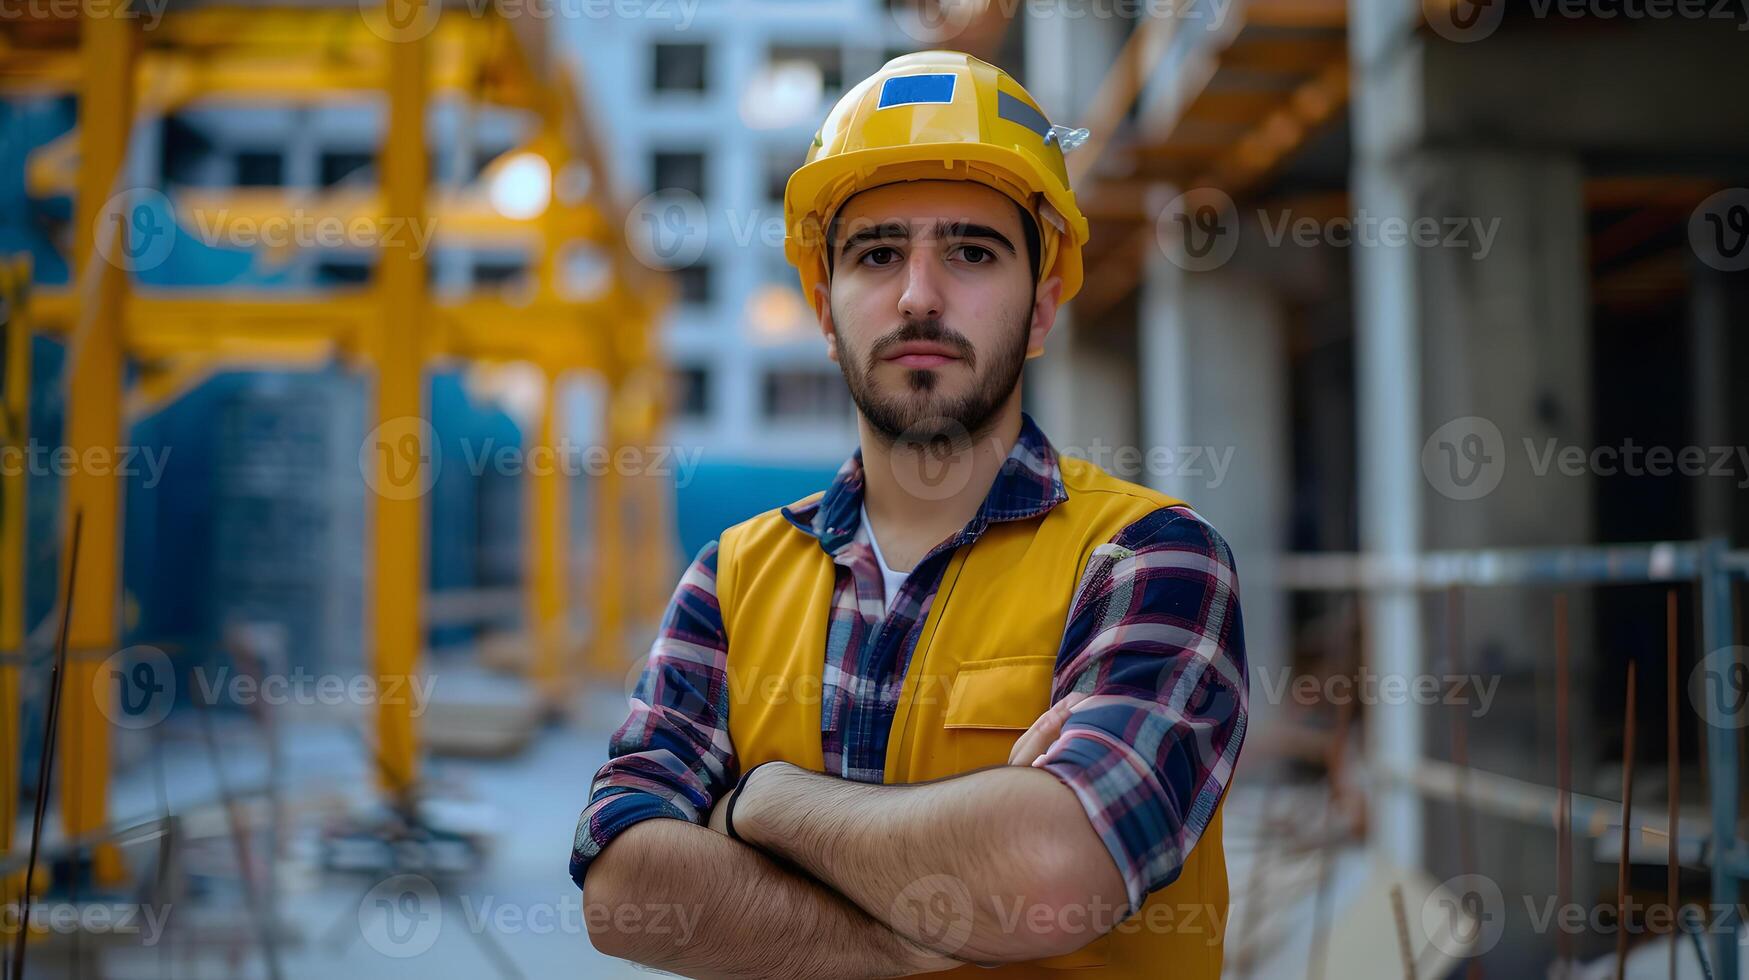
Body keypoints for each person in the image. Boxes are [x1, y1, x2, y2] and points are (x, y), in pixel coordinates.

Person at [572, 50, 1248, 978]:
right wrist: (922, 935)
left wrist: (760, 804)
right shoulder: (730, 579)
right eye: (877, 253)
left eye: (971, 252)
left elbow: (1054, 872)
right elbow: (623, 893)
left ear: (1043, 305)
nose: (920, 295)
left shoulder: (1150, 561)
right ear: (823, 305)